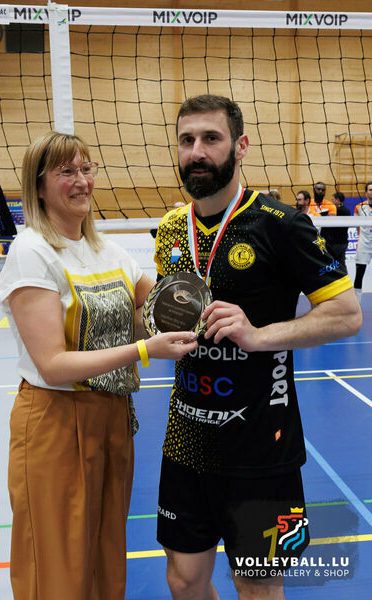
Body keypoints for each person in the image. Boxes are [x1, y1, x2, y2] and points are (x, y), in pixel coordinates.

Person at [153, 94, 361, 600]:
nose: (197, 152)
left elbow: (347, 313)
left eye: (211, 138)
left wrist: (257, 336)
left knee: (258, 587)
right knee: (183, 581)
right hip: (186, 439)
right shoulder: (170, 229)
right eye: (186, 140)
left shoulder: (280, 224)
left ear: (240, 146)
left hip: (262, 448)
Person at [0, 131, 198, 600]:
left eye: (87, 169)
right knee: (58, 569)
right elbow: (53, 364)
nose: (82, 181)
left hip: (113, 419)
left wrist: (205, 291)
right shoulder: (32, 252)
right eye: (66, 171)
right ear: (39, 186)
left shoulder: (110, 251)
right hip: (56, 420)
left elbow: (160, 309)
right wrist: (144, 350)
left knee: (105, 560)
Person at [353, 181, 372, 302]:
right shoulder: (359, 207)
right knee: (359, 274)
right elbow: (357, 226)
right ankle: (357, 303)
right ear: (366, 192)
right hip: (364, 244)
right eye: (370, 190)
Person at [329, 191, 351, 265]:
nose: (331, 201)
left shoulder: (336, 211)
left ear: (337, 200)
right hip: (344, 241)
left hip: (336, 242)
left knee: (335, 263)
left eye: (333, 199)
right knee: (341, 262)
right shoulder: (347, 210)